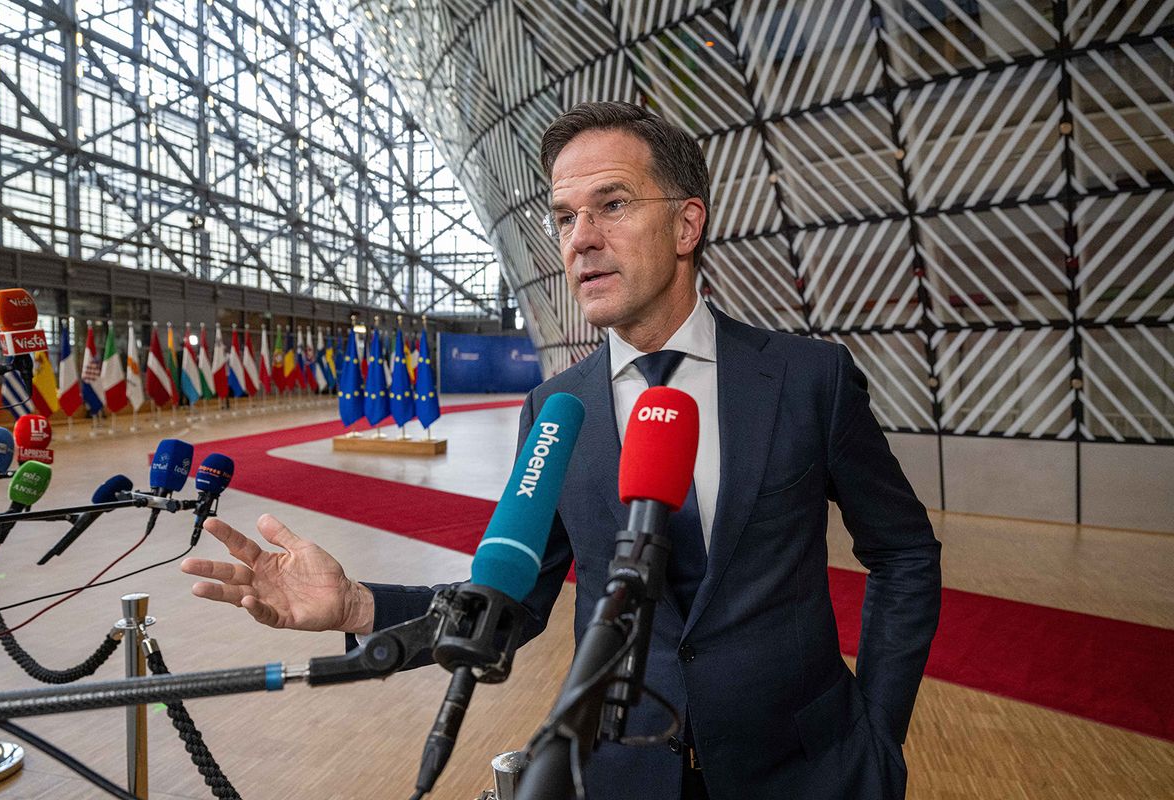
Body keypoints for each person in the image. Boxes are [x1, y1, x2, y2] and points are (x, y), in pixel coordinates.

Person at [183, 101, 941, 800]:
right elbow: (515, 604)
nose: (580, 239)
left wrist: (878, 734)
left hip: (811, 772)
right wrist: (358, 606)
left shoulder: (809, 379)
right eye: (565, 217)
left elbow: (905, 552)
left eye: (611, 205)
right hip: (623, 775)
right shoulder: (556, 410)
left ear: (686, 225)